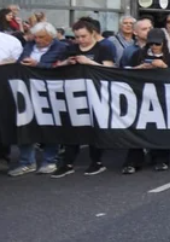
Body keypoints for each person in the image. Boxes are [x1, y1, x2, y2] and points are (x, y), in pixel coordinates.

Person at [49, 18, 118, 177]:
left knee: (94, 128)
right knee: (71, 128)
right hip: (74, 94)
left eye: (84, 36)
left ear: (93, 34)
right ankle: (67, 162)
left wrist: (88, 62)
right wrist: (67, 62)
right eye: (77, 37)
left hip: (96, 94)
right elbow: (56, 67)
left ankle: (96, 161)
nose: (81, 40)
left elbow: (110, 70)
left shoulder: (103, 48)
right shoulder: (71, 48)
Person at [7, 22, 66, 176]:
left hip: (49, 91)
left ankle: (50, 160)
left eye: (42, 37)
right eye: (36, 37)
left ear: (51, 37)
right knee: (24, 125)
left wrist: (38, 64)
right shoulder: (29, 45)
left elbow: (60, 68)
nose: (38, 40)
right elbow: (20, 61)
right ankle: (27, 162)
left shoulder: (61, 48)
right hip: (26, 89)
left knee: (50, 125)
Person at [122, 28, 170, 173]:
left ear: (163, 43)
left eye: (157, 44)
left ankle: (161, 159)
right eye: (151, 43)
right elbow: (125, 72)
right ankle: (133, 161)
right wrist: (141, 67)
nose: (154, 46)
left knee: (161, 127)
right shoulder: (138, 54)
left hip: (161, 97)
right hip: (140, 96)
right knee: (137, 128)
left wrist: (164, 67)